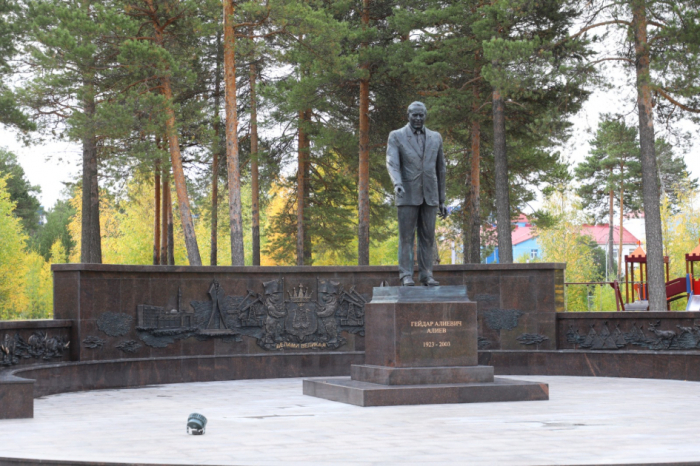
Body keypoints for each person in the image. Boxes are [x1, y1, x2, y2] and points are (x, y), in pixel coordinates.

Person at [386, 101, 447, 286]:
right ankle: (405, 275)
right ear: (408, 115)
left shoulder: (436, 137)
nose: (418, 118)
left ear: (425, 115)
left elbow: (441, 169)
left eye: (421, 115)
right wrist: (397, 183)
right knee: (406, 237)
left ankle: (426, 275)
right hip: (406, 193)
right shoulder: (396, 136)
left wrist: (442, 200)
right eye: (415, 115)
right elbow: (392, 162)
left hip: (430, 195)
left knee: (428, 238)